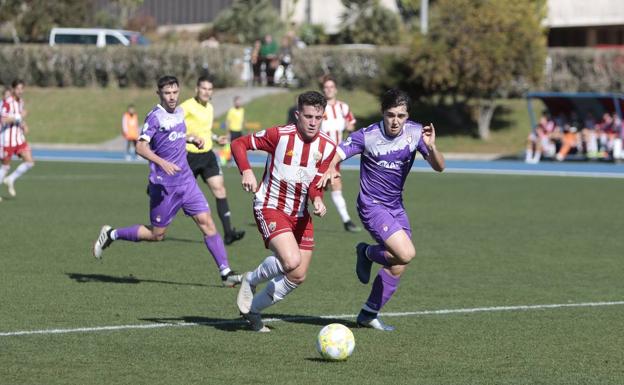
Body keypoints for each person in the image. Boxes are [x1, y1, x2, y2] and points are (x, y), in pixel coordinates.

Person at [92, 75, 242, 287]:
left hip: (186, 181)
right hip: (164, 186)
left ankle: (225, 272)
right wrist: (161, 162)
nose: (171, 97)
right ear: (159, 94)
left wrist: (191, 138)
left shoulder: (180, 111)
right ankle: (111, 233)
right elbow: (140, 147)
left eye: (174, 92)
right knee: (156, 234)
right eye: (167, 93)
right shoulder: (154, 117)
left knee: (207, 223)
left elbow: (176, 133)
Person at [317, 89, 445, 331]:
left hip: (396, 206)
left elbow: (440, 167)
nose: (395, 121)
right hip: (371, 205)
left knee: (398, 263)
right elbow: (337, 153)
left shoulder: (416, 133)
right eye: (390, 115)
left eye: (401, 115)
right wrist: (330, 168)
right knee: (406, 253)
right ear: (382, 114)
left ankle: (368, 313)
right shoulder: (367, 136)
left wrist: (432, 147)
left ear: (407, 116)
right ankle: (365, 253)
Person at [231, 91, 336, 332]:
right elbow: (239, 143)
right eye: (308, 116)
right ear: (298, 115)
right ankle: (251, 279)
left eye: (318, 117)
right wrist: (246, 170)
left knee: (297, 275)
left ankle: (252, 310)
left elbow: (314, 183)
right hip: (270, 206)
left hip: (300, 215)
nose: (312, 122)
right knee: (290, 260)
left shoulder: (328, 146)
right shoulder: (279, 135)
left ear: (323, 117)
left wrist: (318, 199)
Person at [179, 76, 245, 245]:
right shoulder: (186, 106)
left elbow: (205, 130)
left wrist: (216, 138)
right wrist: (188, 137)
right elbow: (173, 128)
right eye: (204, 88)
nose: (207, 92)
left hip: (207, 155)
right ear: (197, 89)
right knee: (177, 194)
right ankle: (158, 224)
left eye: (210, 89)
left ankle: (229, 232)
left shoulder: (210, 108)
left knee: (220, 190)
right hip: (189, 156)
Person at [320, 75, 361, 232]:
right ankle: (347, 221)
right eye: (326, 87)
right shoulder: (319, 107)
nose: (329, 89)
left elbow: (351, 125)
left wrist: (345, 125)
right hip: (321, 153)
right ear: (323, 90)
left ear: (335, 89)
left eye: (331, 87)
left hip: (336, 154)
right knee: (333, 184)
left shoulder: (343, 107)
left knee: (322, 186)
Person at [0, 79, 35, 198]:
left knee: (30, 162)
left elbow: (19, 118)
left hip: (19, 138)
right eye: (18, 89)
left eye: (22, 89)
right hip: (7, 140)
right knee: (5, 167)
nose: (20, 91)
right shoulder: (7, 102)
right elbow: (3, 119)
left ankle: (11, 179)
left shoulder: (21, 102)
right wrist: (19, 116)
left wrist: (23, 124)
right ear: (13, 89)